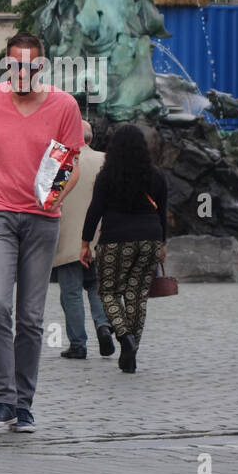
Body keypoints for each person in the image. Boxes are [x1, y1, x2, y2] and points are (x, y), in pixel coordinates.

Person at [0, 32, 83, 433]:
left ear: (42, 67)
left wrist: (57, 194)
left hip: (41, 218)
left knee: (31, 317)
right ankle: (1, 401)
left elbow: (72, 163)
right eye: (15, 66)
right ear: (6, 66)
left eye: (31, 68)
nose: (22, 74)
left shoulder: (64, 106)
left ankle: (23, 403)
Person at [80, 124, 168, 373]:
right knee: (137, 295)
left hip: (115, 239)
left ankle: (124, 336)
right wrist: (162, 243)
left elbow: (95, 210)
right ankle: (132, 352)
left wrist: (85, 243)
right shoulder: (157, 176)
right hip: (150, 239)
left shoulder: (107, 176)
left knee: (107, 291)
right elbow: (162, 213)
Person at [53, 121, 113, 359]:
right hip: (101, 236)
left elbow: (49, 196)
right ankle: (103, 326)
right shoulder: (107, 160)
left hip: (67, 237)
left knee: (71, 292)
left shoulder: (61, 160)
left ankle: (78, 344)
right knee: (98, 287)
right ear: (91, 137)